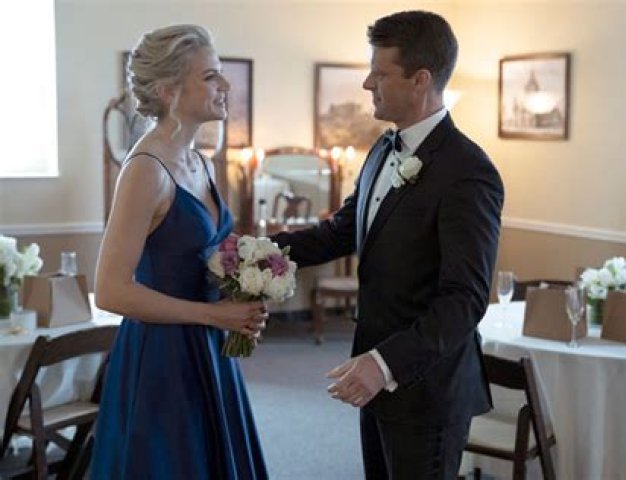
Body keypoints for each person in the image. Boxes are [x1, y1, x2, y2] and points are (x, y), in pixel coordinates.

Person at [274, 10, 504, 480]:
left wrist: (384, 364)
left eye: (379, 74)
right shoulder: (382, 149)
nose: (367, 84)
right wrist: (259, 252)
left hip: (426, 387)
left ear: (421, 80)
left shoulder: (468, 171)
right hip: (374, 376)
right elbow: (340, 232)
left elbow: (464, 299)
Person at [91, 25, 268, 480]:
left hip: (209, 347)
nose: (225, 85)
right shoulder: (144, 170)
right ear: (168, 90)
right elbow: (110, 291)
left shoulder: (201, 163)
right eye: (210, 76)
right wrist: (213, 316)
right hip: (163, 358)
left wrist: (242, 298)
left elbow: (210, 255)